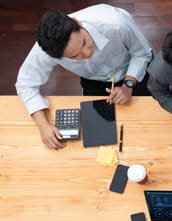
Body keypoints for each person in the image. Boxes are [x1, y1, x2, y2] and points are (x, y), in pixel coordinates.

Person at [15, 4, 153, 149]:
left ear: (78, 23)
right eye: (75, 56)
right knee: (98, 138)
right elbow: (25, 84)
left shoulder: (116, 23)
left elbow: (142, 53)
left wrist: (128, 84)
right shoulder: (46, 50)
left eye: (84, 42)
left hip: (135, 70)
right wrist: (43, 125)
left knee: (149, 122)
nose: (87, 53)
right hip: (94, 81)